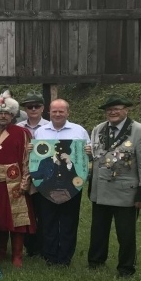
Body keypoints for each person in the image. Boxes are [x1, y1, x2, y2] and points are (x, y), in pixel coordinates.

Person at [87, 95, 141, 277]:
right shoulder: (98, 129)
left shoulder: (140, 131)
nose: (113, 112)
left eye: (117, 108)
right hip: (100, 189)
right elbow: (96, 156)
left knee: (126, 234)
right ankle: (95, 261)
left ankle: (126, 268)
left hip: (126, 192)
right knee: (98, 229)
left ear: (126, 110)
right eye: (109, 109)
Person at [31, 99, 90, 266]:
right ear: (49, 112)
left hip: (71, 186)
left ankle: (65, 257)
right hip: (47, 188)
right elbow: (36, 159)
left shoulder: (79, 131)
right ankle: (49, 255)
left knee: (69, 221)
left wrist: (87, 152)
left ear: (68, 112)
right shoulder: (41, 132)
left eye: (61, 111)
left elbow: (86, 159)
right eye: (54, 111)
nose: (57, 114)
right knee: (47, 221)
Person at [0, 96, 36, 267]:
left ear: (13, 115)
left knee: (17, 220)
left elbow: (27, 159)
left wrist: (25, 183)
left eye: (7, 113)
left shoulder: (22, 133)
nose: (3, 116)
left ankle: (17, 254)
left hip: (15, 182)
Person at [16, 91, 50, 257]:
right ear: (25, 109)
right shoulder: (19, 128)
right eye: (30, 106)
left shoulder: (49, 127)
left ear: (43, 108)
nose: (33, 109)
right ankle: (30, 246)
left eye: (37, 106)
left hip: (43, 174)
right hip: (24, 174)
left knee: (42, 211)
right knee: (28, 212)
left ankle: (43, 244)